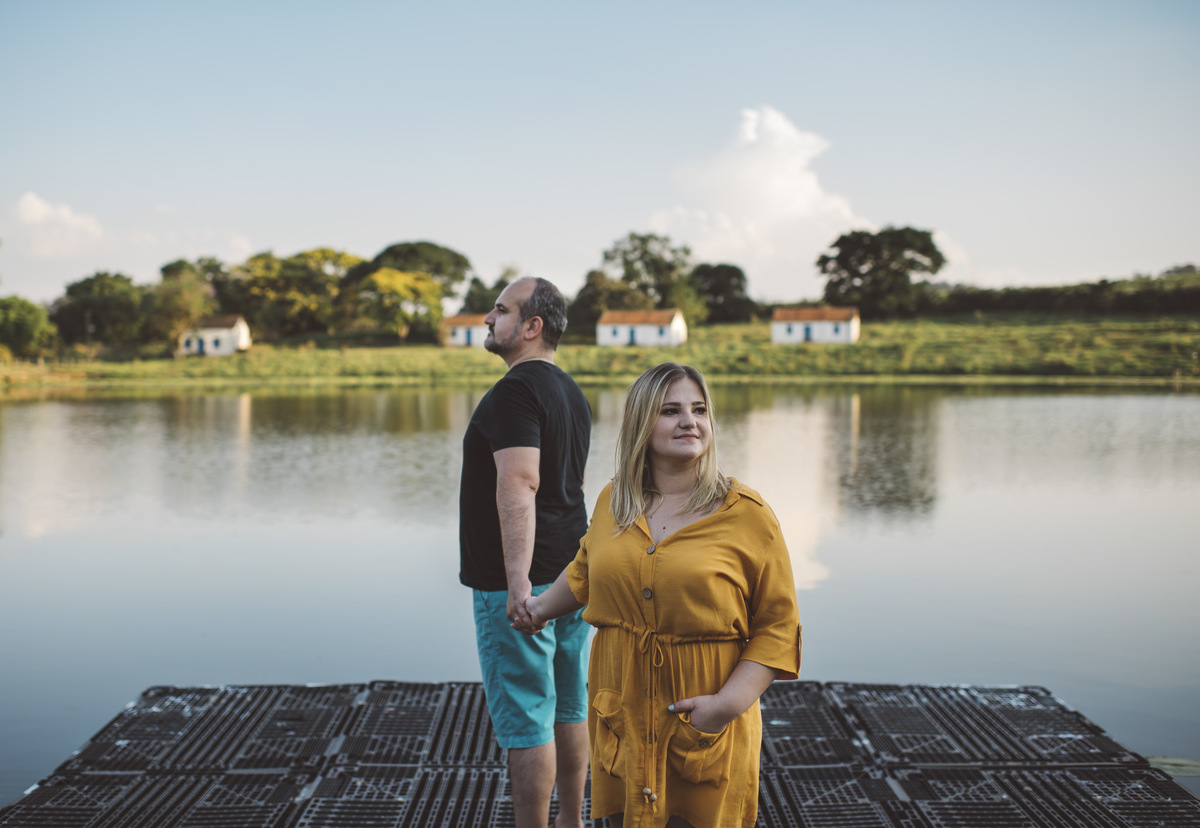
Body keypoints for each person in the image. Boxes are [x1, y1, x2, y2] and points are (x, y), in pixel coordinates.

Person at [513, 362, 802, 828]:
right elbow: (586, 572)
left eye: (699, 409)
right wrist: (538, 609)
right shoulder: (614, 501)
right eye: (671, 410)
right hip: (622, 709)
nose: (690, 421)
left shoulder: (747, 515)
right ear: (641, 424)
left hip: (704, 717)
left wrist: (724, 707)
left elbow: (779, 628)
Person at [459, 277, 592, 828]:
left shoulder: (514, 392)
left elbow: (521, 482)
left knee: (527, 718)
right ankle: (571, 822)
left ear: (532, 327)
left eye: (501, 310)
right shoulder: (569, 391)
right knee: (569, 703)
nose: (488, 319)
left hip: (523, 583)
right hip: (573, 574)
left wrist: (517, 584)